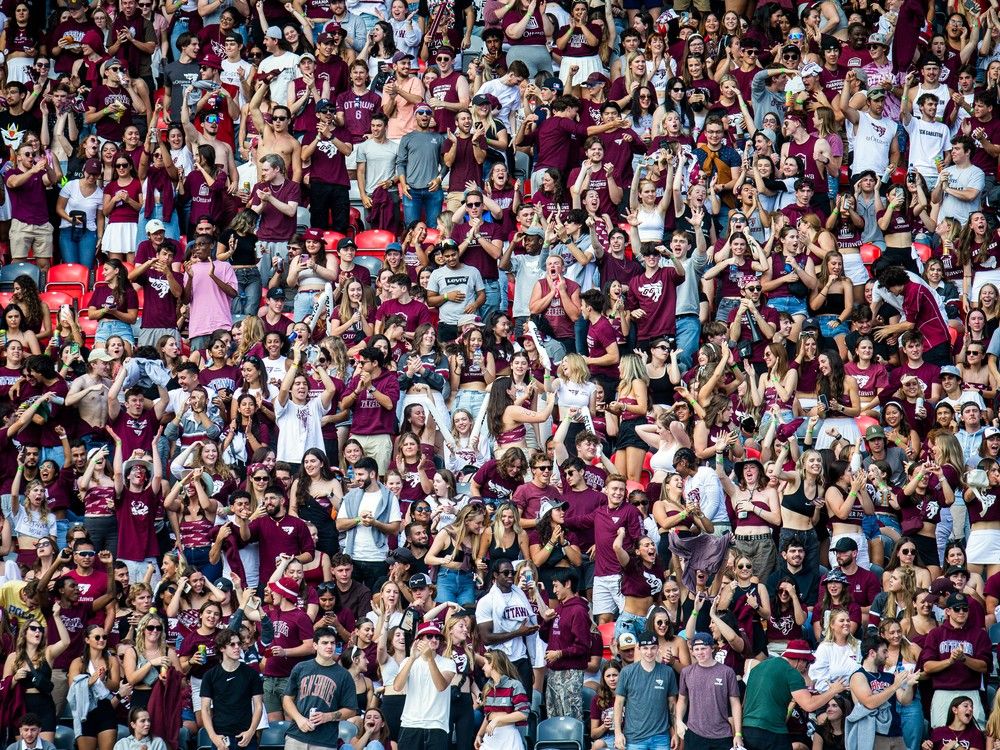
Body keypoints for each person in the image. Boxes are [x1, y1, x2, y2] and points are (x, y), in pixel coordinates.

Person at [741, 640, 849, 750]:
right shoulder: (791, 672)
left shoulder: (757, 668)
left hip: (747, 729)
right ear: (800, 661)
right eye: (807, 663)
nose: (806, 668)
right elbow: (809, 705)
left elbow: (744, 702)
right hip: (772, 732)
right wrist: (832, 691)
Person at [283, 626, 359, 750]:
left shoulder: (344, 675)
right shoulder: (301, 667)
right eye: (324, 643)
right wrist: (299, 719)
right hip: (296, 736)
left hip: (325, 741)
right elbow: (287, 699)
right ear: (315, 645)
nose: (329, 646)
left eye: (332, 643)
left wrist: (328, 716)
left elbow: (351, 710)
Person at [674, 631, 743, 750]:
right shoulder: (686, 672)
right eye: (696, 649)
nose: (700, 652)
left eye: (703, 648)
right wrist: (679, 720)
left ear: (712, 648)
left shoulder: (727, 672)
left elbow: (735, 704)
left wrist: (738, 734)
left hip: (722, 735)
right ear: (692, 651)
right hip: (695, 734)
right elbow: (682, 699)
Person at [394, 622, 456, 750]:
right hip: (410, 724)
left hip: (436, 726)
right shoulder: (407, 661)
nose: (434, 639)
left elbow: (440, 686)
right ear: (419, 640)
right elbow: (397, 687)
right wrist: (412, 658)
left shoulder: (448, 663)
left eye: (437, 637)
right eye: (429, 636)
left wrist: (430, 659)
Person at [613, 631, 678, 750]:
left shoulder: (668, 672)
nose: (649, 652)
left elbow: (672, 704)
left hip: (661, 737)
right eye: (645, 648)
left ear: (658, 648)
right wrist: (618, 733)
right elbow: (618, 703)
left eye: (653, 648)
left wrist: (675, 733)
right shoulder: (627, 672)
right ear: (638, 648)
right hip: (634, 738)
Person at [200, 629, 264, 750]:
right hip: (221, 737)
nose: (237, 647)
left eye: (239, 644)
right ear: (222, 648)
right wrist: (213, 737)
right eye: (232, 644)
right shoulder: (210, 676)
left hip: (246, 736)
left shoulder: (252, 674)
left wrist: (251, 731)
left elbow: (258, 706)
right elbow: (205, 709)